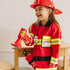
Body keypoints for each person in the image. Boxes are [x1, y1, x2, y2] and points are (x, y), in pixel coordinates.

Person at [23, 0, 62, 70]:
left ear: (49, 11)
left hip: (49, 63)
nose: (37, 12)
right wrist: (26, 39)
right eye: (36, 10)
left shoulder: (54, 27)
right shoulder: (34, 26)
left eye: (40, 9)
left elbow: (56, 46)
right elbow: (31, 42)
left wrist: (54, 60)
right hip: (37, 62)